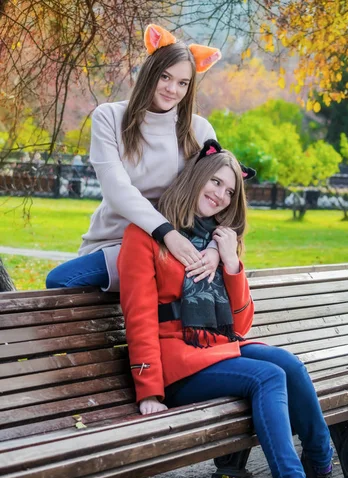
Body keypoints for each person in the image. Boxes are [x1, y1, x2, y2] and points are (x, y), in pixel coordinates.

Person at [117, 140, 348, 478]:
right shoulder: (144, 235)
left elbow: (240, 325)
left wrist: (231, 263)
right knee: (268, 375)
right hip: (176, 364)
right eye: (216, 182)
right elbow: (138, 316)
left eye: (229, 191)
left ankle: (321, 467)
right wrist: (149, 388)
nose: (221, 195)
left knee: (288, 364)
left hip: (215, 349)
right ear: (195, 178)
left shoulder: (218, 240)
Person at [46, 24, 223, 292]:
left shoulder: (200, 131)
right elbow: (117, 189)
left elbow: (219, 196)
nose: (172, 89)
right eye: (165, 77)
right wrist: (166, 232)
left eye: (182, 83)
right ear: (150, 72)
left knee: (63, 282)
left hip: (174, 247)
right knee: (62, 281)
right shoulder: (109, 117)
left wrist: (213, 249)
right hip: (116, 240)